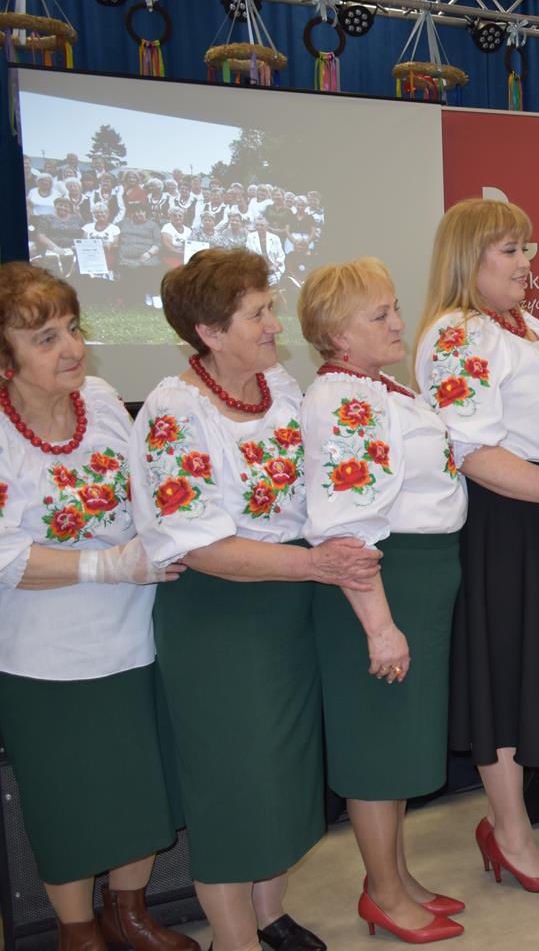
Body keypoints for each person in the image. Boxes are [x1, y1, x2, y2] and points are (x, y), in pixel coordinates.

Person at [130, 248, 382, 951]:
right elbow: (201, 547)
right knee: (232, 784)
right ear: (209, 333)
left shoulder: (280, 386)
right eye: (258, 314)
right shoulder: (175, 411)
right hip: (221, 618)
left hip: (289, 610)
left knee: (283, 775)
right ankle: (235, 938)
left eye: (270, 308)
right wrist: (316, 565)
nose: (276, 325)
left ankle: (269, 915)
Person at [0, 265, 198, 951]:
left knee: (140, 789)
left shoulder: (104, 401)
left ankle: (129, 912)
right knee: (68, 804)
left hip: (135, 640)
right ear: (5, 362)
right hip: (46, 661)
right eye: (45, 338)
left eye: (73, 328)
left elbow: (148, 491)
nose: (72, 348)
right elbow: (5, 558)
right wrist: (104, 565)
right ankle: (78, 930)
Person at [413, 200, 539, 896]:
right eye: (510, 251)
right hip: (508, 519)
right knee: (506, 677)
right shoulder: (457, 334)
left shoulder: (526, 327)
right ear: (469, 260)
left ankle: (510, 824)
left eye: (528, 248)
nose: (527, 263)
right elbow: (477, 455)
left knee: (532, 675)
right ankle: (510, 833)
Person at [299, 258, 467, 943]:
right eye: (380, 315)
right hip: (380, 585)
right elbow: (346, 529)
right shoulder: (343, 399)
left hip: (418, 580)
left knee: (398, 737)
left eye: (395, 307)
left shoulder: (378, 388)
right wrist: (380, 626)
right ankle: (384, 894)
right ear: (339, 334)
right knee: (376, 740)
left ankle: (395, 875)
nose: (399, 323)